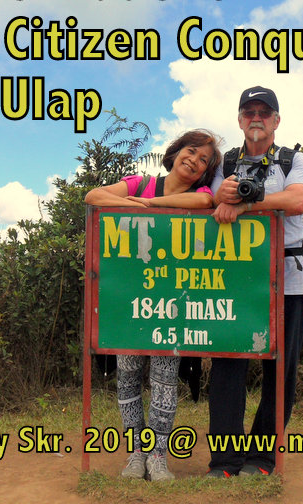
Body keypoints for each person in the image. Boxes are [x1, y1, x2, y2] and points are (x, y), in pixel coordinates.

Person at [84, 129, 221, 481]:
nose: (194, 160)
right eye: (191, 151)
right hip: (129, 302)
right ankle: (135, 455)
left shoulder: (200, 194)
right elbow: (94, 195)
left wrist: (150, 206)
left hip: (172, 306)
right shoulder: (140, 183)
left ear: (205, 171)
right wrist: (140, 201)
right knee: (127, 378)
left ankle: (158, 457)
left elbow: (206, 204)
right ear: (175, 153)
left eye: (204, 160)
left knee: (164, 381)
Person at [207, 86, 303, 477]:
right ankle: (225, 460)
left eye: (264, 112)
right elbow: (213, 198)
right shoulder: (227, 162)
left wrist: (247, 203)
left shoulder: (292, 159)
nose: (256, 118)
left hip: (288, 275)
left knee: (280, 371)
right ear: (239, 120)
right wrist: (226, 193)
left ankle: (262, 458)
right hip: (234, 279)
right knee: (226, 366)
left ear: (276, 121)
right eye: (248, 111)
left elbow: (297, 201)